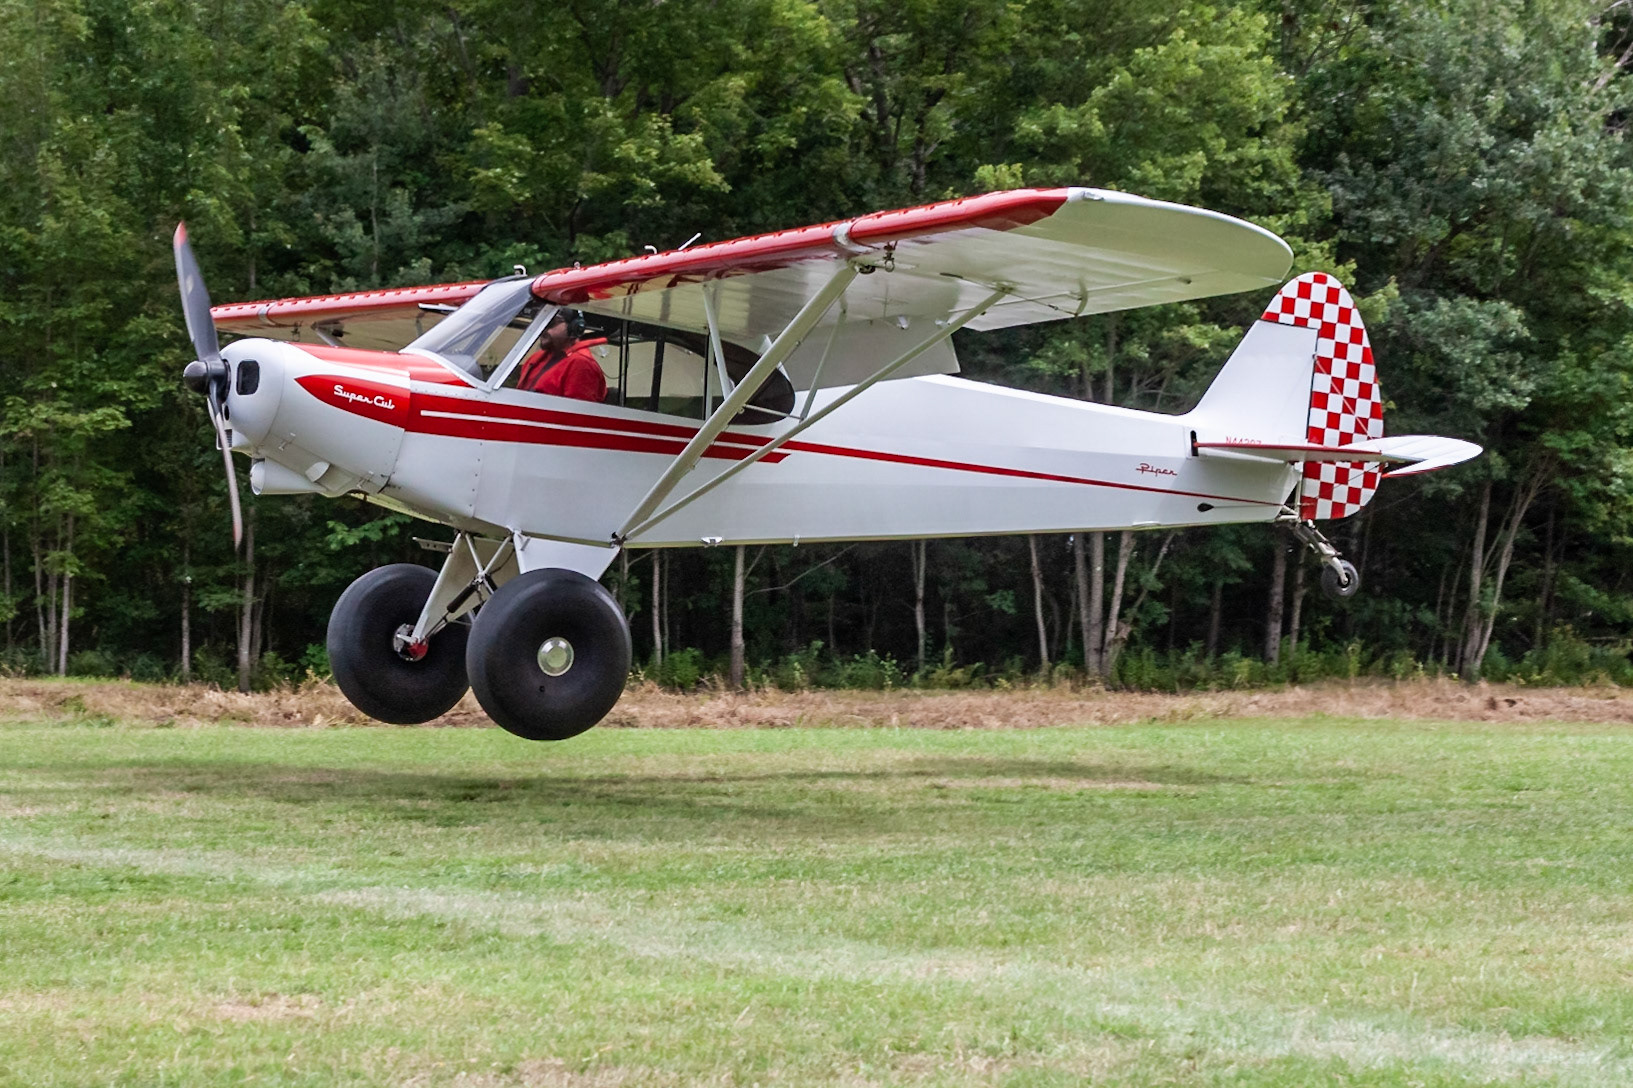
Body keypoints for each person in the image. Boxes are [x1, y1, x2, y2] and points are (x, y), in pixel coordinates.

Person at [516, 309, 606, 402]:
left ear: (574, 327)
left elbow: (578, 413)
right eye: (541, 322)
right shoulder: (536, 358)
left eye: (551, 323)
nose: (543, 328)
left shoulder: (581, 364)